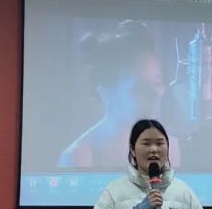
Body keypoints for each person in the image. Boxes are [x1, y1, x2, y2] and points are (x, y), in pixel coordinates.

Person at [59, 20, 180, 168]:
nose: (155, 94)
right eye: (140, 88)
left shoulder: (170, 147)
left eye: (157, 82)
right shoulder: (80, 156)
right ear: (106, 96)